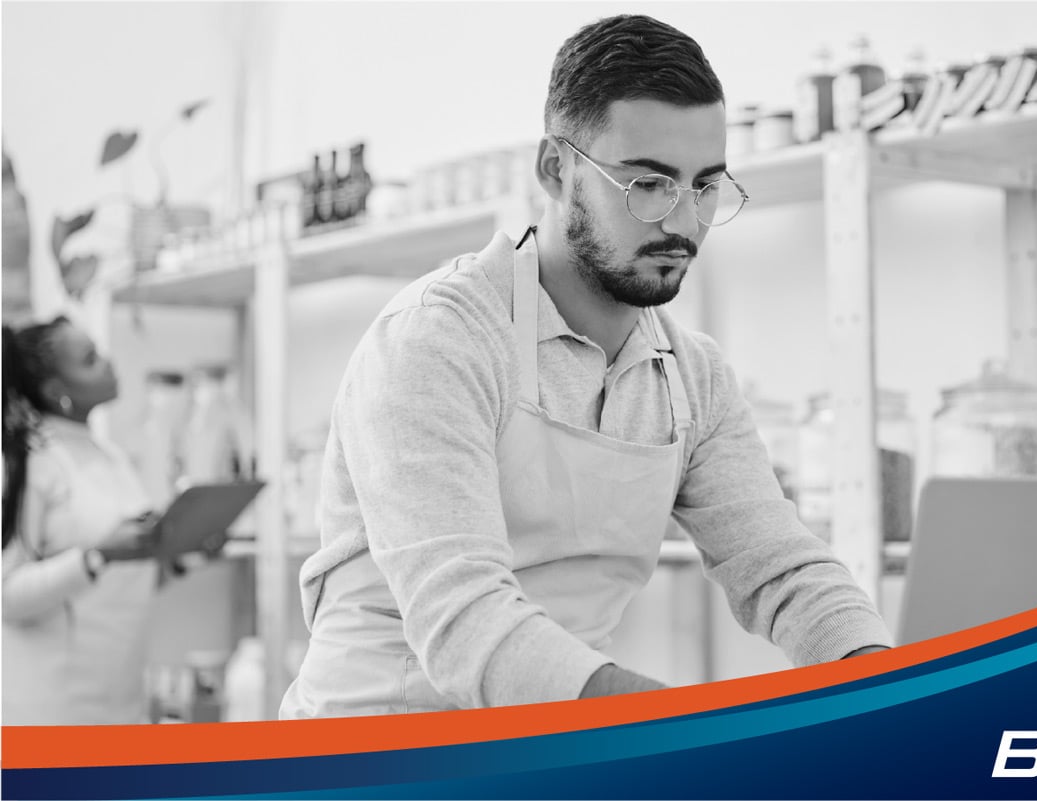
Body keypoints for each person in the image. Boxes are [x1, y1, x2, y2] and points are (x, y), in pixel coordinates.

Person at [281, 14, 892, 719]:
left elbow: (781, 567)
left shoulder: (691, 377)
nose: (683, 223)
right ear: (556, 169)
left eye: (704, 187)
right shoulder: (437, 340)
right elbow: (463, 618)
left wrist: (880, 683)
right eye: (648, 184)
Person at [2, 316, 163, 724]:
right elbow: (5, 596)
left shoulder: (110, 455)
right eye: (90, 360)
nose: (109, 362)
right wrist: (96, 556)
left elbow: (121, 579)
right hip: (52, 714)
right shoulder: (30, 463)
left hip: (122, 702)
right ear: (55, 391)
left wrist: (180, 552)